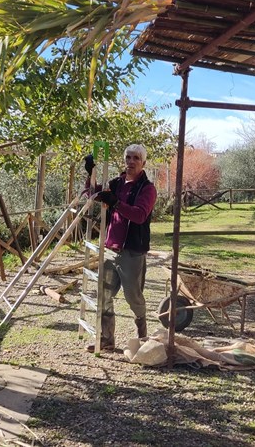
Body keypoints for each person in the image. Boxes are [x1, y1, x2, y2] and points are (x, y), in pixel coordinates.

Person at [84, 144, 157, 353]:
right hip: (110, 248)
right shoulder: (116, 183)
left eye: (136, 158)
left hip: (132, 251)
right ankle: (107, 340)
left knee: (133, 297)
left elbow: (139, 215)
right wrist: (91, 174)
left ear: (143, 163)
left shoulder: (147, 189)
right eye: (128, 157)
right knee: (104, 294)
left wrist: (115, 203)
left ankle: (143, 339)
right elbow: (91, 194)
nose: (131, 161)